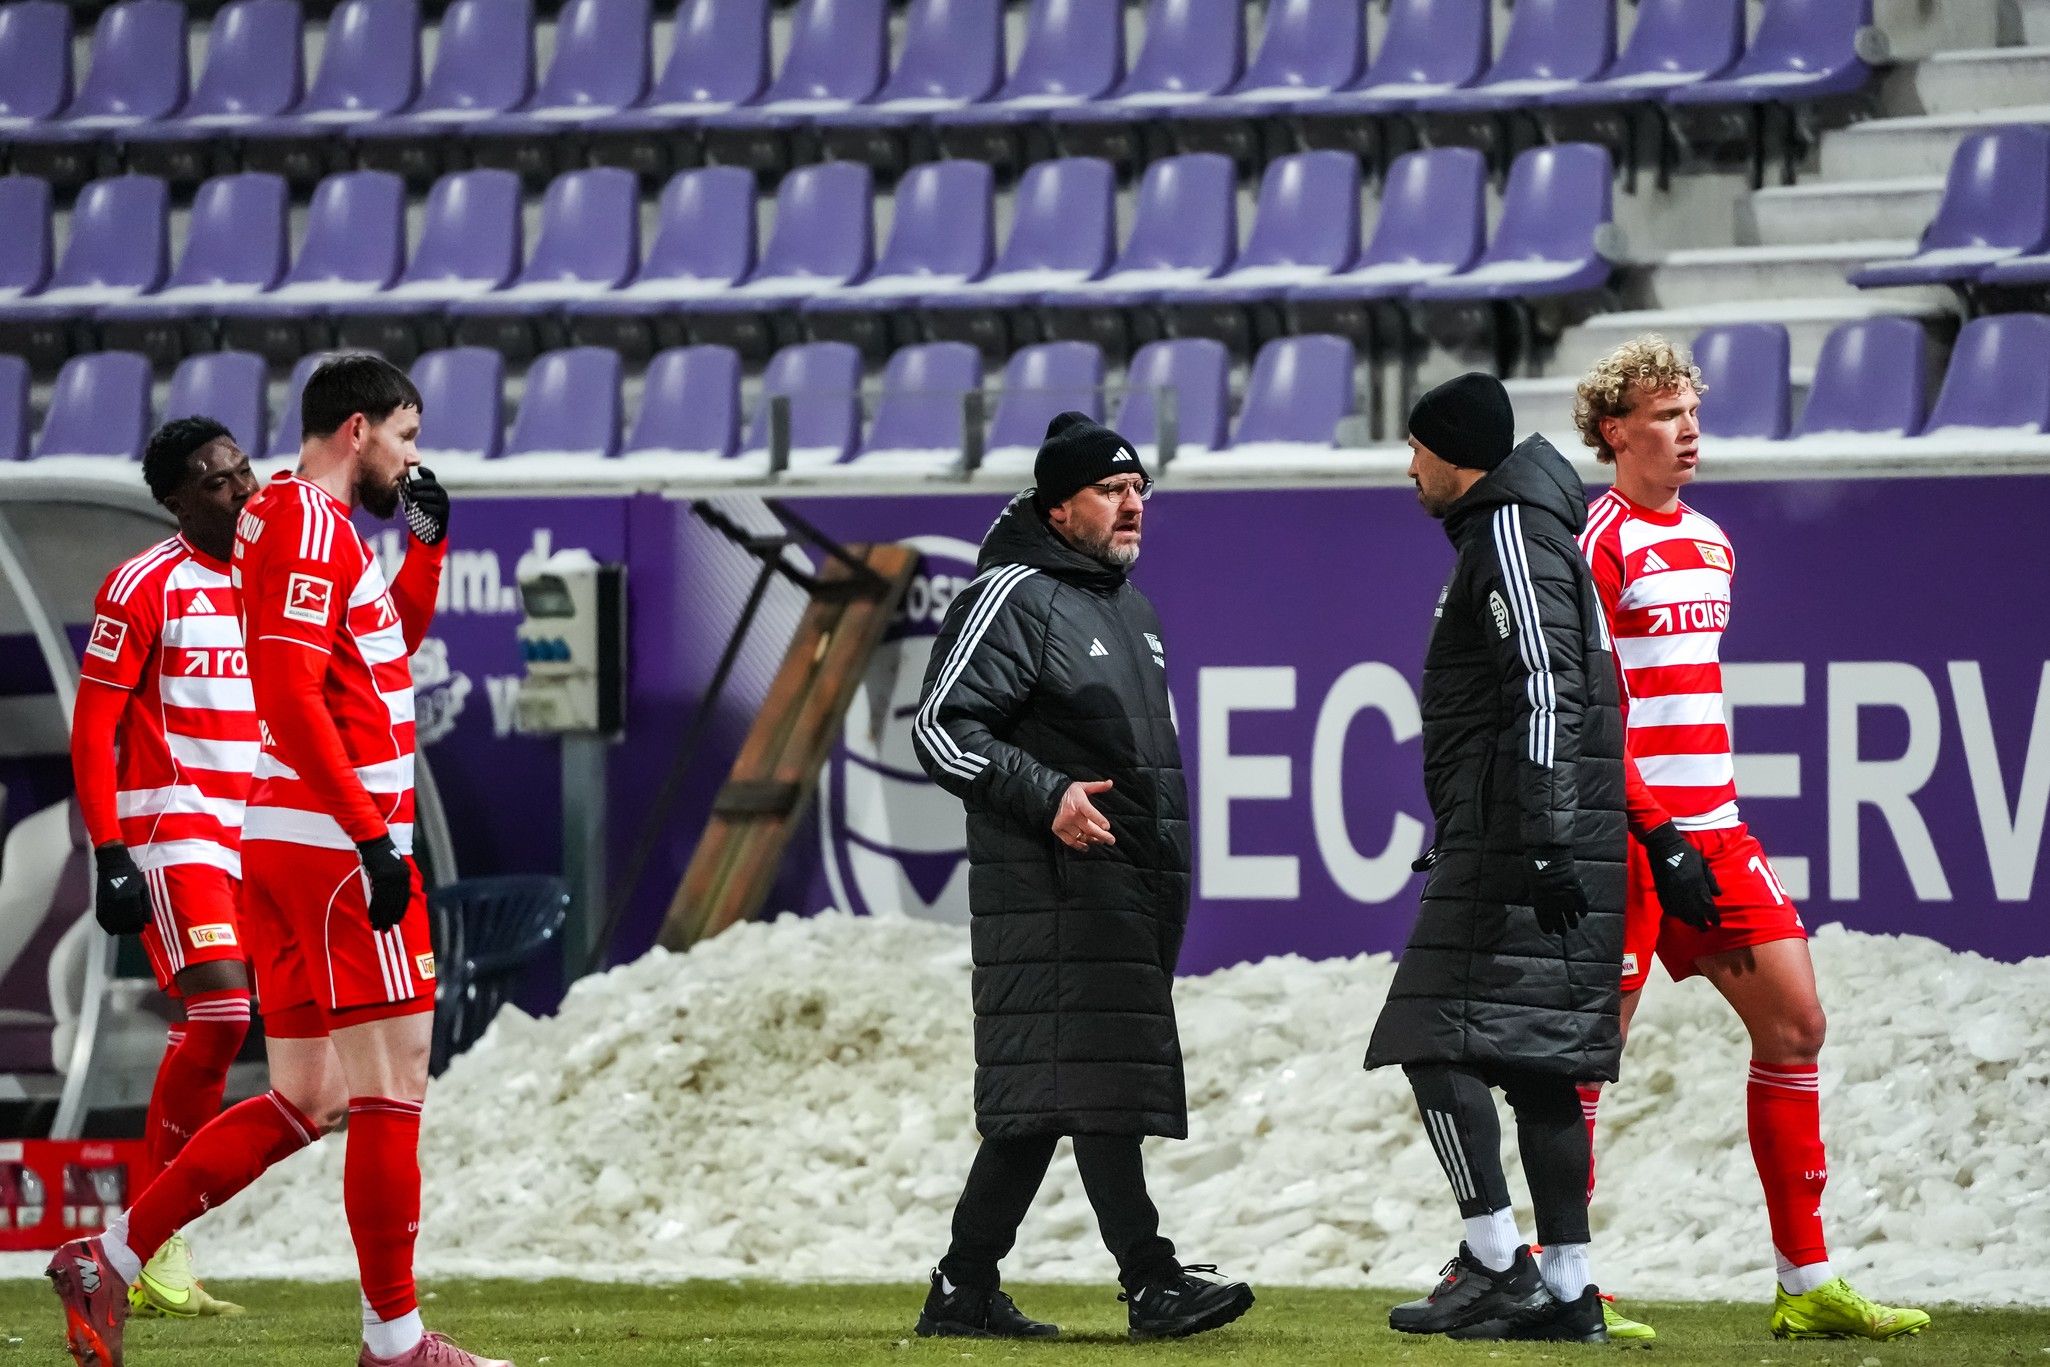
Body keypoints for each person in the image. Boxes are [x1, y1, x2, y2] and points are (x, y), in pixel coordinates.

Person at [48, 355, 510, 1367]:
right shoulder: (302, 522)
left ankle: (109, 1256)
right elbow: (296, 694)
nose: (413, 460)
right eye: (407, 436)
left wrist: (428, 549)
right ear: (358, 429)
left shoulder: (295, 524)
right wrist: (371, 832)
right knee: (393, 1083)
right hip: (330, 838)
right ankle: (395, 1340)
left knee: (311, 1095)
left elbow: (378, 654)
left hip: (274, 832)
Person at [1570, 336, 1930, 1342]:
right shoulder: (1594, 543)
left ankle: (1805, 1280)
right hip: (1627, 835)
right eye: (1667, 416)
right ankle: (1565, 1276)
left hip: (1717, 832)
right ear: (1615, 432)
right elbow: (1589, 708)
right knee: (1586, 1056)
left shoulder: (1713, 541)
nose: (1689, 431)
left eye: (1693, 412)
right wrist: (1650, 824)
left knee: (1797, 1025)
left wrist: (1699, 824)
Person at [909, 412, 1254, 1343]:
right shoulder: (1011, 594)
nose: (1133, 504)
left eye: (1140, 488)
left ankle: (962, 1289)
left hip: (1124, 887)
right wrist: (1046, 793)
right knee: (1101, 1088)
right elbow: (939, 726)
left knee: (1042, 1103)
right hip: (1052, 888)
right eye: (1111, 490)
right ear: (1059, 508)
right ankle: (1151, 1277)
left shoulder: (1129, 609)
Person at [1364, 373, 1629, 1344]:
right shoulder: (1525, 527)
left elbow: (1545, 686)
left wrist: (1546, 840)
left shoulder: (1510, 530)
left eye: (1416, 447)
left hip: (1522, 837)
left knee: (1428, 1035)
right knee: (1538, 1064)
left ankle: (1490, 1259)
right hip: (1543, 830)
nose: (1409, 467)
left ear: (1454, 453)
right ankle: (1568, 1290)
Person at [67, 418, 261, 1322]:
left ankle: (146, 1239)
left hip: (262, 828)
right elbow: (94, 723)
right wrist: (109, 848)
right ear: (178, 501)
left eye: (244, 470)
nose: (242, 489)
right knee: (222, 1012)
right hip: (175, 827)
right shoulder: (144, 584)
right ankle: (154, 1241)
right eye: (217, 480)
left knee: (279, 1045)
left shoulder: (277, 577)